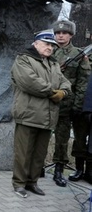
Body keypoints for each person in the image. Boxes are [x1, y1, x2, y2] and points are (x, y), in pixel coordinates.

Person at [11, 29, 71, 198]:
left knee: (39, 155)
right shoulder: (23, 59)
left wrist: (64, 92)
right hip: (28, 115)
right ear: (35, 43)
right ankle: (19, 184)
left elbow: (65, 82)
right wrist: (53, 93)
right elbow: (29, 82)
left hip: (48, 117)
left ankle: (32, 182)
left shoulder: (53, 64)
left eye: (52, 45)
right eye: (46, 44)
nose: (50, 48)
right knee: (23, 153)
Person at [50, 20, 90, 187]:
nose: (61, 35)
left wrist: (78, 105)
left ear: (71, 35)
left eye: (64, 33)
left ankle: (79, 169)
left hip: (77, 105)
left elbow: (83, 81)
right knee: (61, 138)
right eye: (58, 33)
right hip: (60, 104)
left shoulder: (79, 54)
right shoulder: (49, 52)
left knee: (80, 139)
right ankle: (58, 169)